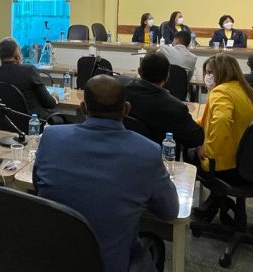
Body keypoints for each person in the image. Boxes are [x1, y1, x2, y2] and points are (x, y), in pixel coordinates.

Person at [34, 75, 179, 272]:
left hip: (52, 260)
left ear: (83, 108)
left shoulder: (51, 136)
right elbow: (170, 212)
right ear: (126, 109)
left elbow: (38, 187)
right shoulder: (147, 152)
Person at [196, 54, 253, 181]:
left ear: (221, 72)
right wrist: (194, 123)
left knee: (190, 150)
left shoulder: (220, 91)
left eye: (210, 72)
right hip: (248, 162)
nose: (207, 76)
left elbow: (221, 120)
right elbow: (215, 117)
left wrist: (208, 151)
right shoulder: (247, 90)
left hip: (224, 164)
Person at [125, 52, 203, 150]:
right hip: (159, 155)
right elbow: (196, 138)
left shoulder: (121, 91)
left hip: (125, 149)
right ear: (167, 76)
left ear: (139, 71)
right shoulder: (175, 107)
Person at [0, 37, 58, 118]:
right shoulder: (29, 70)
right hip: (33, 122)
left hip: (3, 122)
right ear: (17, 56)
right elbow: (49, 103)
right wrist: (55, 97)